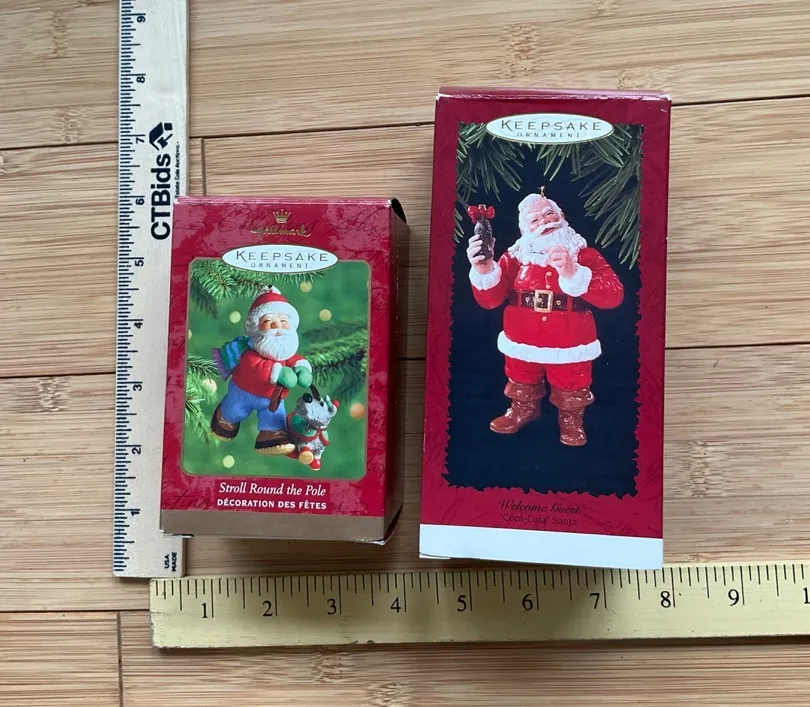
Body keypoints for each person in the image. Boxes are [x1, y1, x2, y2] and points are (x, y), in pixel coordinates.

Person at [467, 189, 623, 446]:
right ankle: (523, 409)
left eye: (549, 214)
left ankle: (571, 418)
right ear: (524, 230)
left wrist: (574, 273)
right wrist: (484, 270)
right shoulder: (515, 259)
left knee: (572, 380)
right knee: (521, 376)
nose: (544, 222)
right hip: (522, 339)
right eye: (535, 220)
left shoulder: (585, 256)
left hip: (570, 340)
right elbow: (490, 300)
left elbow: (614, 295)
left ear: (562, 217)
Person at [210, 286, 312, 455]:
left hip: (274, 399)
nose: (277, 325)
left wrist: (302, 369)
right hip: (244, 391)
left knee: (275, 418)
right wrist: (280, 373)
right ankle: (225, 416)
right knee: (234, 410)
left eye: (283, 321)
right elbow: (256, 367)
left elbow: (295, 360)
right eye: (268, 321)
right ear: (256, 329)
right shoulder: (250, 354)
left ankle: (272, 434)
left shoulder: (285, 352)